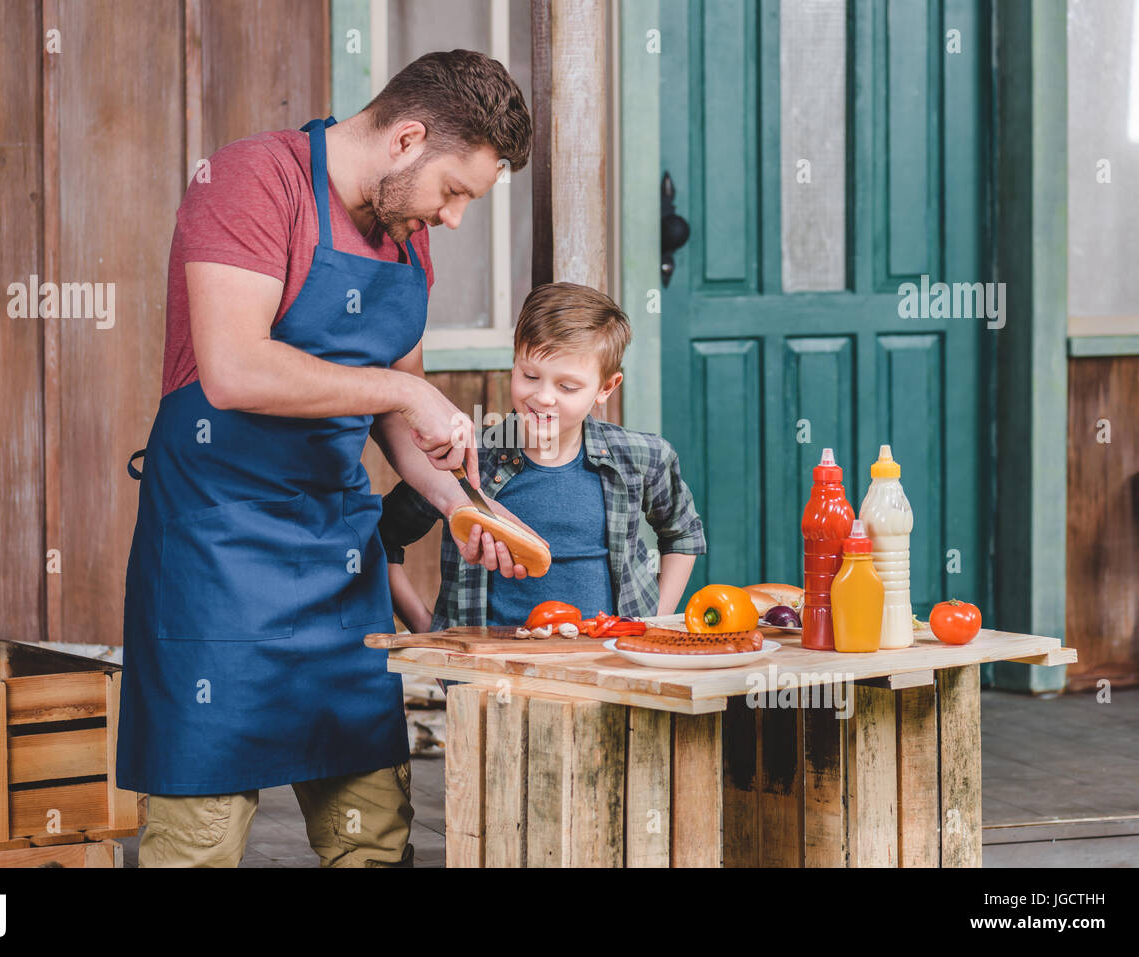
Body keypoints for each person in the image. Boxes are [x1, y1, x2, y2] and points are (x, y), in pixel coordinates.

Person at [118, 50, 538, 868]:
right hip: (216, 553)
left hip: (338, 561)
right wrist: (407, 393)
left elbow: (394, 416)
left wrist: (460, 505)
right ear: (406, 138)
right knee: (196, 840)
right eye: (454, 191)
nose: (454, 218)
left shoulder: (406, 238)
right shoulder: (250, 181)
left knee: (372, 831)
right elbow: (234, 369)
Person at [380, 282, 707, 636]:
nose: (543, 397)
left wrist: (653, 620)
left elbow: (682, 533)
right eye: (530, 376)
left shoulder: (643, 457)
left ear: (606, 388)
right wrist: (426, 627)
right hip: (490, 677)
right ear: (514, 363)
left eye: (567, 387)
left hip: (609, 670)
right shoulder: (464, 458)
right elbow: (383, 536)